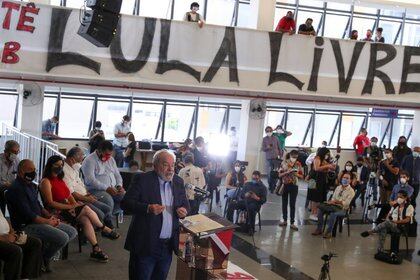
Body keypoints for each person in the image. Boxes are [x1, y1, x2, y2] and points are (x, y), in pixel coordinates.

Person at [121, 149, 190, 280]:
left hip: (167, 246)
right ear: (155, 165)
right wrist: (147, 208)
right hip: (145, 244)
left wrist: (184, 211)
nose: (170, 169)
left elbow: (186, 205)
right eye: (165, 165)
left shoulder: (178, 181)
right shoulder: (142, 179)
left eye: (173, 165)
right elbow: (125, 203)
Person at [40, 155, 120, 262]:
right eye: (56, 165)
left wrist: (74, 204)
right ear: (50, 166)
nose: (59, 167)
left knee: (86, 219)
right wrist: (72, 206)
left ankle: (96, 249)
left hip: (68, 210)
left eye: (61, 165)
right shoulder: (46, 181)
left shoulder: (60, 180)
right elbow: (50, 203)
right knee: (86, 209)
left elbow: (69, 195)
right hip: (57, 212)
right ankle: (103, 228)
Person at [5, 159, 77, 272]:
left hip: (39, 221)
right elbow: (29, 215)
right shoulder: (16, 189)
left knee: (72, 232)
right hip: (25, 226)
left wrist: (49, 216)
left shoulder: (31, 185)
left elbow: (38, 204)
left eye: (34, 170)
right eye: (29, 170)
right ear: (20, 171)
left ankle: (41, 256)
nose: (33, 172)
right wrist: (48, 222)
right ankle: (45, 258)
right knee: (63, 238)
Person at [63, 147, 115, 230]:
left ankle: (102, 227)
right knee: (101, 214)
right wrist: (87, 199)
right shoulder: (64, 171)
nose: (81, 161)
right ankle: (101, 229)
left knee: (107, 208)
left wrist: (88, 195)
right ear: (72, 159)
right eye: (80, 159)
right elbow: (71, 194)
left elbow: (81, 184)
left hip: (86, 196)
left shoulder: (74, 168)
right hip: (78, 200)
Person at [361, 190, 413, 255]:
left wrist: (396, 221)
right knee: (384, 227)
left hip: (401, 227)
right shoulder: (395, 205)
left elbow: (407, 220)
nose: (399, 199)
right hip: (391, 224)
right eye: (398, 197)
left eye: (401, 197)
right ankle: (380, 249)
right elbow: (388, 215)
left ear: (405, 198)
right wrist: (388, 219)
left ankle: (371, 231)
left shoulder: (409, 207)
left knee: (386, 223)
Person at [82, 141, 126, 214]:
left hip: (113, 188)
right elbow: (90, 180)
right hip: (95, 190)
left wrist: (119, 186)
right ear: (99, 151)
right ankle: (107, 220)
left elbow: (117, 175)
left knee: (127, 198)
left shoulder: (111, 159)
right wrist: (107, 188)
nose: (108, 156)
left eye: (110, 154)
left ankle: (109, 215)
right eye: (106, 154)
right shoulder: (89, 160)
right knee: (108, 201)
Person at [0, 210, 42, 280]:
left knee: (35, 243)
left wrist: (12, 232)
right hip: (2, 238)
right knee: (15, 251)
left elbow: (3, 219)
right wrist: (3, 238)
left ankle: (26, 277)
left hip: (7, 235)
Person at [312, 173, 355, 238]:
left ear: (350, 180)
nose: (345, 179)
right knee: (320, 209)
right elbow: (333, 197)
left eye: (347, 178)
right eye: (344, 177)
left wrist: (336, 202)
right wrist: (332, 202)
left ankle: (329, 232)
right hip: (333, 206)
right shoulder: (338, 187)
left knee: (333, 214)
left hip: (343, 209)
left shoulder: (351, 191)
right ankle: (319, 229)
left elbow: (346, 203)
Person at [307, 147, 336, 221]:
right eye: (326, 154)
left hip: (322, 179)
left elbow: (326, 168)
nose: (327, 155)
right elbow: (317, 168)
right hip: (316, 179)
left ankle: (318, 213)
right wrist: (327, 166)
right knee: (315, 197)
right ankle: (313, 213)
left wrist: (331, 167)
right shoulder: (317, 158)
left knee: (320, 197)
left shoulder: (324, 160)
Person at [278, 150, 303, 230]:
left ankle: (292, 222)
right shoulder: (284, 163)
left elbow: (302, 176)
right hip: (285, 185)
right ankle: (285, 220)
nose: (294, 158)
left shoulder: (298, 164)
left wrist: (296, 174)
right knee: (284, 203)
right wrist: (286, 172)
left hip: (294, 185)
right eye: (293, 157)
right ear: (290, 155)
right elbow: (279, 174)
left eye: (296, 157)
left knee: (292, 204)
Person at [0, 140, 19, 215]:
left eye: (17, 152)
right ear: (5, 151)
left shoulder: (16, 160)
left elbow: (21, 173)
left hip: (10, 190)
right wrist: (5, 184)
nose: (15, 154)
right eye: (13, 152)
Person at [363, 136, 382, 201]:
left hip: (375, 168)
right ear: (370, 141)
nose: (373, 142)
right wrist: (368, 164)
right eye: (372, 140)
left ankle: (375, 195)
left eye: (375, 141)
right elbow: (364, 157)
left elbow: (381, 159)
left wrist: (377, 161)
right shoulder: (366, 148)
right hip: (367, 167)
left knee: (375, 182)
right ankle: (364, 193)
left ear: (377, 142)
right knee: (366, 180)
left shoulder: (379, 149)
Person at [262, 126, 280, 193]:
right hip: (268, 159)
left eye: (270, 130)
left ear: (272, 131)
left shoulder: (276, 138)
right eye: (267, 131)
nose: (269, 132)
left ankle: (274, 186)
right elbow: (263, 149)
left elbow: (279, 147)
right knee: (269, 174)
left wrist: (280, 154)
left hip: (276, 158)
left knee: (275, 173)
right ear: (266, 132)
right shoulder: (264, 139)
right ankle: (270, 186)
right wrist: (267, 147)